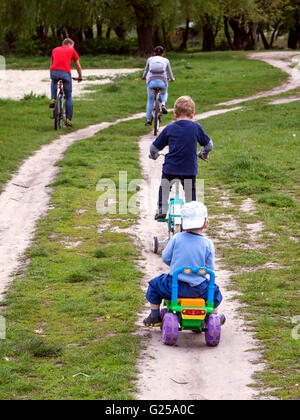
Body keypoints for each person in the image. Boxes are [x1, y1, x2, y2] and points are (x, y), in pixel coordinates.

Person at [143, 201, 225, 327]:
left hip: (174, 287)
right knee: (215, 292)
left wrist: (174, 264)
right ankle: (213, 317)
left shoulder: (176, 238)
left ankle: (154, 316)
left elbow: (165, 257)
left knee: (154, 285)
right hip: (199, 289)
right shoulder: (208, 243)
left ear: (183, 222)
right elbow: (209, 267)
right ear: (206, 223)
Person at [150, 96, 213, 220]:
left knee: (165, 186)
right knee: (190, 193)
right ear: (192, 114)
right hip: (189, 170)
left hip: (171, 169)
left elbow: (153, 149)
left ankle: (162, 210)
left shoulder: (169, 128)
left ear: (174, 114)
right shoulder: (196, 127)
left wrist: (155, 156)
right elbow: (209, 145)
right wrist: (203, 154)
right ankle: (192, 216)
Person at [49, 38, 83, 127]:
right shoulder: (72, 50)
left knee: (54, 81)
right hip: (66, 74)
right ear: (69, 44)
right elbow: (78, 66)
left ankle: (53, 99)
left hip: (54, 72)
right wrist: (80, 76)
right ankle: (68, 119)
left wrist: (53, 73)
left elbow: (52, 64)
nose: (73, 47)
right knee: (68, 96)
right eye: (73, 46)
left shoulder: (55, 49)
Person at [142, 45, 175, 126]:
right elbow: (169, 72)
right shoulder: (166, 60)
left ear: (154, 53)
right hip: (162, 82)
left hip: (151, 82)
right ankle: (163, 104)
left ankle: (148, 119)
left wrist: (143, 77)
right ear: (163, 54)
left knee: (150, 100)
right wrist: (172, 79)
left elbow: (146, 70)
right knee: (164, 93)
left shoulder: (150, 59)